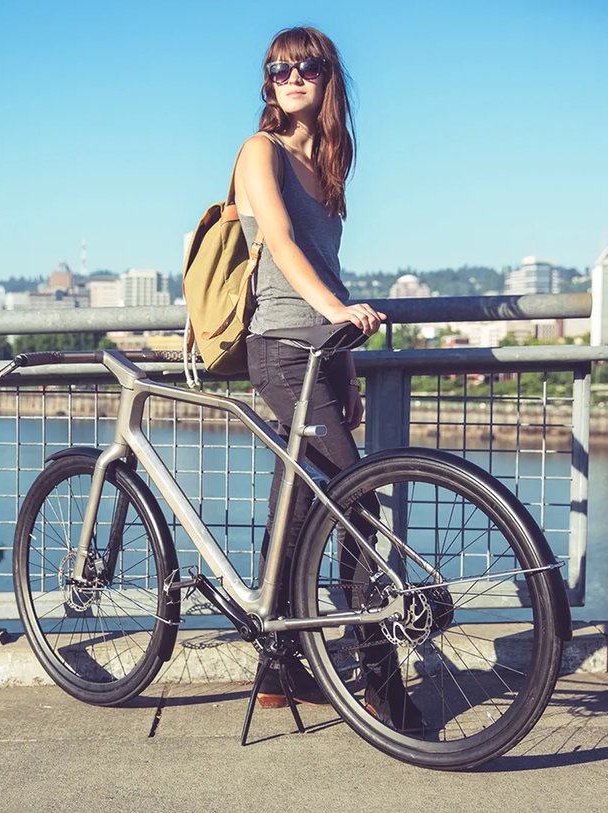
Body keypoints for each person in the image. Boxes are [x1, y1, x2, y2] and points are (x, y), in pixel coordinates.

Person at [233, 26, 422, 733]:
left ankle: (279, 669)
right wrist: (338, 312)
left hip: (322, 356)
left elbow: (327, 265)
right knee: (356, 502)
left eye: (304, 66)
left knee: (301, 510)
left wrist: (344, 357)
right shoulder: (262, 152)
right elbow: (279, 241)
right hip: (281, 351)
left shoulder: (331, 164)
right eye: (277, 67)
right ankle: (379, 678)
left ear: (327, 77)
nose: (290, 76)